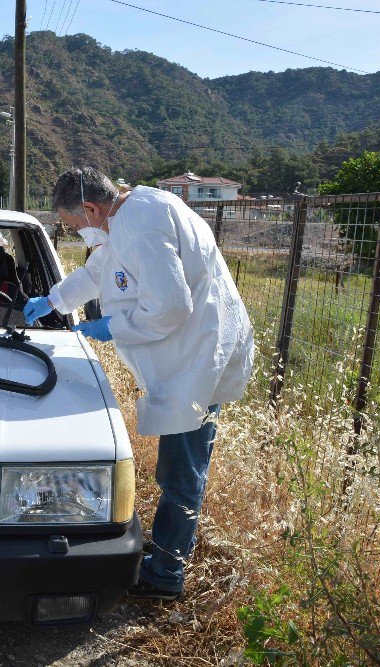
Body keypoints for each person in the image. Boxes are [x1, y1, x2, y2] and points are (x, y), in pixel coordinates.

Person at [24, 167, 254, 601]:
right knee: (178, 466)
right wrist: (53, 300)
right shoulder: (131, 214)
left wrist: (114, 325)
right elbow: (97, 272)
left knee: (182, 472)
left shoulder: (142, 227)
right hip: (188, 357)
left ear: (91, 208)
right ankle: (167, 553)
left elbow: (169, 308)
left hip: (196, 360)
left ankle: (166, 574)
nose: (77, 233)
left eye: (75, 225)